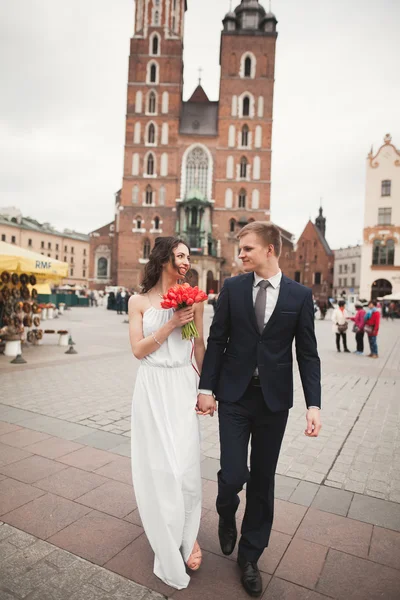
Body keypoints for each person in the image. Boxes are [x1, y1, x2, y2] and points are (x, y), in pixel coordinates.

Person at [197, 222, 322, 597]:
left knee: (263, 480)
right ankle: (225, 508)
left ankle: (250, 557)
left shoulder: (300, 296)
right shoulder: (233, 288)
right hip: (233, 396)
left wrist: (313, 404)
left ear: (270, 250)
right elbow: (217, 340)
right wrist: (206, 388)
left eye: (247, 249)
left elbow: (308, 353)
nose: (241, 255)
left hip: (273, 401)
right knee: (234, 472)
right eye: (240, 249)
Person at [128, 237, 205, 590]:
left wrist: (207, 390)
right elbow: (138, 351)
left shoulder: (194, 298)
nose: (186, 261)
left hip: (182, 385)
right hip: (152, 387)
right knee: (160, 468)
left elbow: (199, 345)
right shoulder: (139, 302)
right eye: (180, 255)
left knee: (185, 468)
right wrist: (171, 324)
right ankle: (167, 534)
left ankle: (189, 536)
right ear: (163, 260)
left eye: (188, 256)